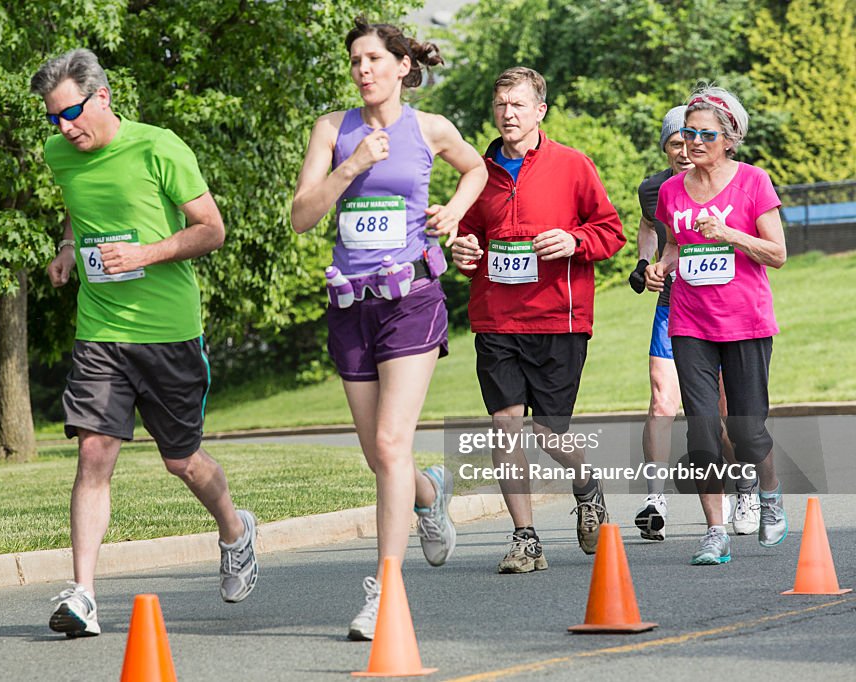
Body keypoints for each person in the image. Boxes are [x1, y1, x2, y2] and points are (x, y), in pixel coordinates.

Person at [30, 48, 257, 637]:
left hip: (168, 332)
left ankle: (235, 529)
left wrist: (146, 253)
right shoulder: (59, 153)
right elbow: (80, 208)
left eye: (72, 113)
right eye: (53, 117)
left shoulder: (161, 146)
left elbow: (213, 230)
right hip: (100, 330)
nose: (64, 127)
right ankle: (83, 595)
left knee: (181, 460)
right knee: (93, 453)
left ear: (102, 97)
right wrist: (66, 248)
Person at [291, 17, 487, 640]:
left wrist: (454, 211)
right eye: (355, 61)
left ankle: (385, 589)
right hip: (352, 304)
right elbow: (301, 217)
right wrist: (349, 167)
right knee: (380, 453)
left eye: (375, 59)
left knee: (391, 441)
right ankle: (430, 493)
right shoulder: (332, 129)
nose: (364, 70)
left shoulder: (429, 128)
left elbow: (476, 168)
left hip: (413, 298)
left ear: (403, 66)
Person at [450, 67, 625, 573]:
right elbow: (467, 237)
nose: (508, 113)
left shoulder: (572, 165)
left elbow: (609, 231)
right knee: (505, 428)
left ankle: (586, 485)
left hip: (558, 317)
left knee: (549, 431)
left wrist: (576, 241)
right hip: (496, 319)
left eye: (518, 105)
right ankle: (525, 538)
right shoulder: (476, 174)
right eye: (501, 104)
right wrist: (464, 251)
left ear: (539, 111)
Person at [645, 86, 788, 565]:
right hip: (690, 323)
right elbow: (673, 246)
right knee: (702, 431)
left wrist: (729, 233)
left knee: (746, 430)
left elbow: (778, 254)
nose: (693, 142)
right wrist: (658, 267)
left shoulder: (753, 182)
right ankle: (714, 530)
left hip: (746, 321)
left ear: (730, 139)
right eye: (688, 133)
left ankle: (769, 497)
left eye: (705, 134)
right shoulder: (670, 191)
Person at [629, 107, 759, 542]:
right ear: (666, 147)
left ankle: (744, 487)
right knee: (663, 400)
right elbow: (653, 229)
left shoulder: (736, 181)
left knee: (723, 414)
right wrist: (645, 264)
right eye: (677, 143)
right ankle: (655, 498)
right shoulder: (655, 190)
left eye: (693, 141)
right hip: (675, 307)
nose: (686, 151)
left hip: (724, 311)